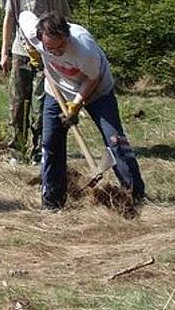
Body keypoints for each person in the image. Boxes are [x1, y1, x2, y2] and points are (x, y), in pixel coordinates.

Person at [20, 11, 145, 210]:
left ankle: (134, 196)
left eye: (61, 47)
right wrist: (31, 49)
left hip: (97, 91)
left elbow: (92, 79)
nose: (56, 53)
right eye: (50, 49)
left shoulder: (83, 49)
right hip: (57, 90)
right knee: (50, 142)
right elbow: (23, 15)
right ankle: (52, 201)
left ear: (67, 35)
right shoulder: (36, 36)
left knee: (115, 140)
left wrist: (76, 104)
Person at [0, 0, 71, 164]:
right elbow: (9, 19)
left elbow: (64, 24)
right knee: (18, 104)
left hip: (46, 57)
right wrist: (4, 52)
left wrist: (61, 57)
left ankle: (39, 151)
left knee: (41, 106)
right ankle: (17, 151)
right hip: (20, 54)